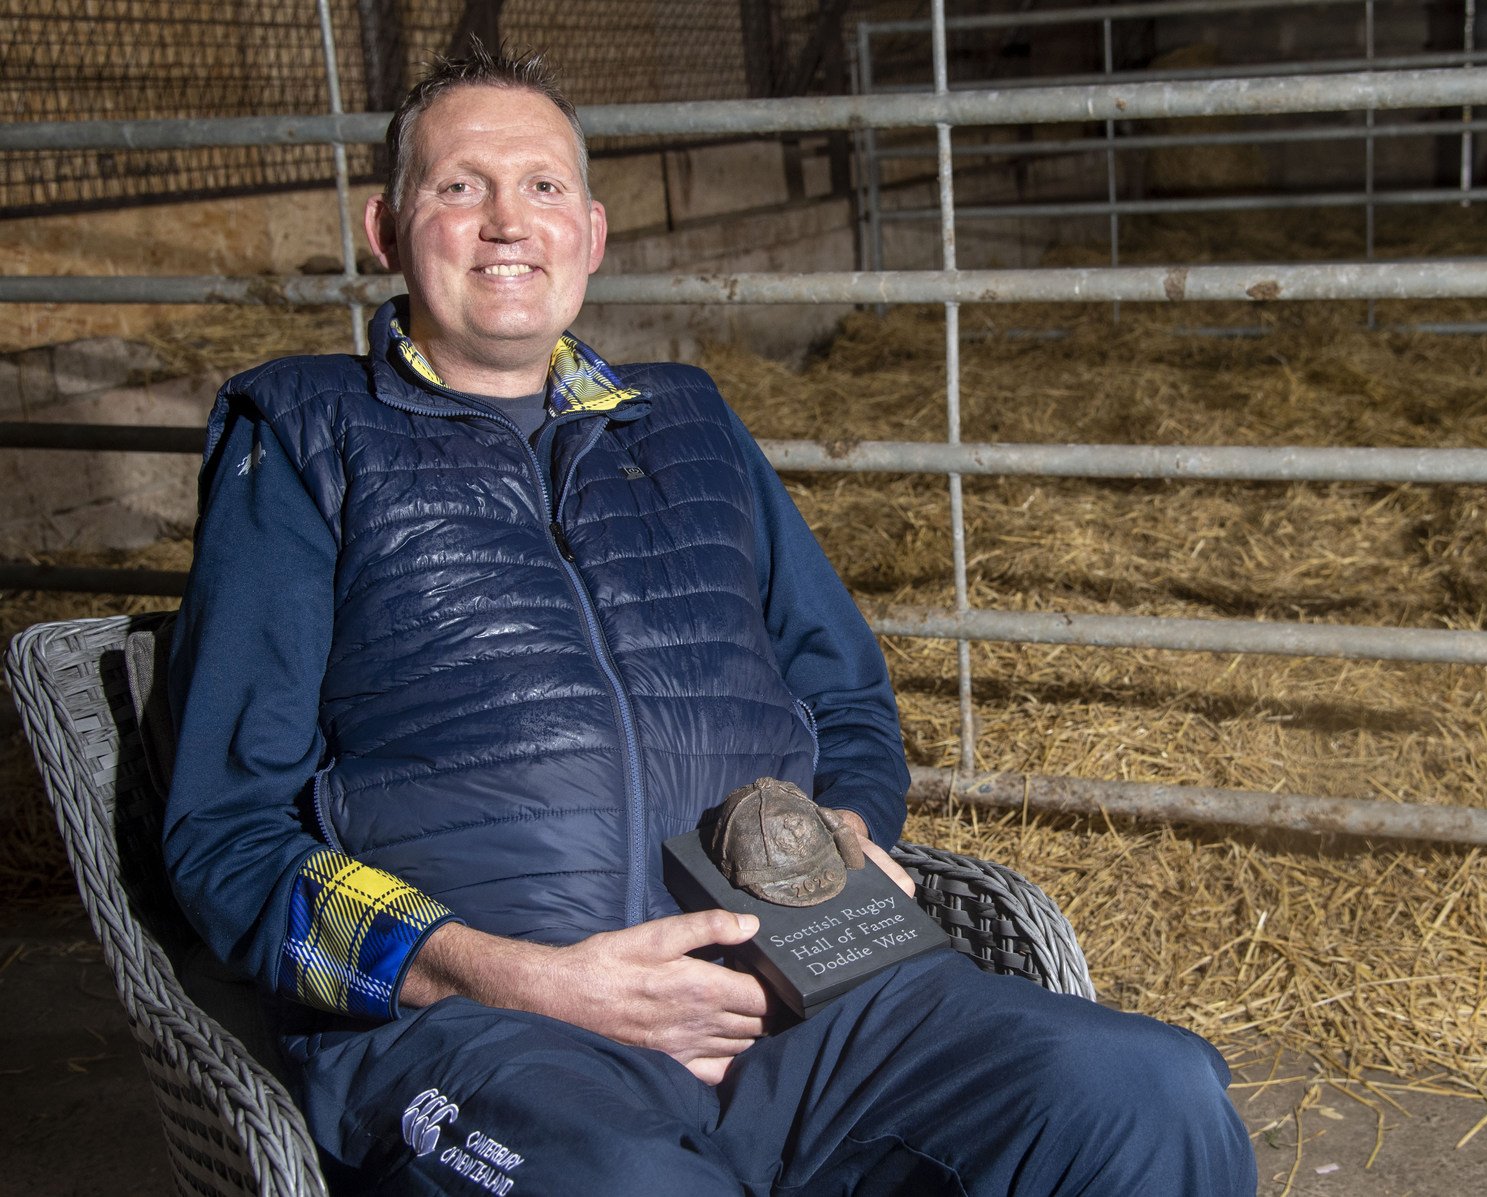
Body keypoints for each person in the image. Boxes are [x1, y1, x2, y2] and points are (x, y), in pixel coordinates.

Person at [163, 46, 1255, 1195]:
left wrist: (843, 842)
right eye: (460, 187)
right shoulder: (301, 435)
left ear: (589, 232)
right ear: (388, 231)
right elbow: (226, 841)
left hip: (805, 1000)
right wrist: (517, 979)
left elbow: (843, 696)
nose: (505, 224)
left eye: (541, 189)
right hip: (498, 1041)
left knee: (1151, 1095)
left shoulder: (687, 422)